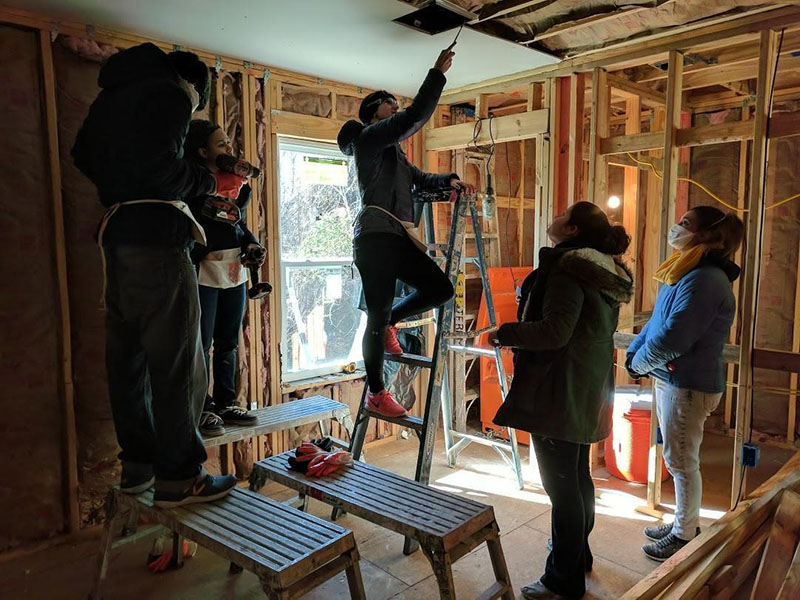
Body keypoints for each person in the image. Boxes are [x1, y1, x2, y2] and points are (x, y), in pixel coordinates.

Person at [72, 43, 244, 508]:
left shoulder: (113, 96)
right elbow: (162, 169)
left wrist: (123, 184)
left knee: (126, 364)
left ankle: (139, 470)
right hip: (159, 239)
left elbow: (82, 153)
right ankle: (181, 478)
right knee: (177, 366)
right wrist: (207, 182)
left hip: (118, 239)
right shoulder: (170, 93)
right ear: (194, 87)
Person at [488, 202, 633, 599]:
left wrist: (504, 334)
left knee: (562, 486)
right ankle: (577, 555)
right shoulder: (602, 269)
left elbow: (554, 332)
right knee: (576, 477)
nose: (554, 215)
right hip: (586, 386)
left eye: (563, 213)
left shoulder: (569, 269)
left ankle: (562, 580)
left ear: (570, 230)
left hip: (559, 389)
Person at [337, 43, 475, 418]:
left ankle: (391, 324)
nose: (394, 106)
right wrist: (437, 73)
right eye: (387, 103)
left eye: (394, 102)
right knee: (376, 313)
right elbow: (415, 116)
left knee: (440, 288)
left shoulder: (394, 154)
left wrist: (449, 181)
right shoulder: (370, 139)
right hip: (375, 236)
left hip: (396, 236)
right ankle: (376, 392)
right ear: (372, 116)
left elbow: (418, 179)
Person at [626, 206, 744, 561]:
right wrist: (635, 357)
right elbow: (656, 323)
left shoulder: (705, 280)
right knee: (676, 457)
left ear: (707, 236)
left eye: (685, 224)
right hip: (673, 379)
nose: (676, 227)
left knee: (680, 461)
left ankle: (683, 534)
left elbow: (675, 338)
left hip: (688, 384)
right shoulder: (686, 272)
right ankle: (684, 522)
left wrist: (640, 363)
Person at [183, 119, 264, 437]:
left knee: (228, 343)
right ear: (202, 152)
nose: (229, 148)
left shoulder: (235, 187)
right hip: (204, 272)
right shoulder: (193, 188)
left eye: (229, 143)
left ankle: (227, 402)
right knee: (202, 344)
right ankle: (202, 407)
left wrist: (251, 243)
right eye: (221, 144)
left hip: (234, 273)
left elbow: (235, 224)